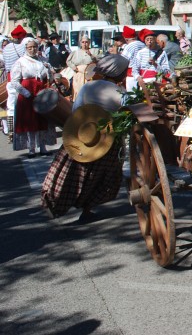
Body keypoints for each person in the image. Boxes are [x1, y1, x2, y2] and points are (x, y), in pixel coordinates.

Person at [41, 54, 130, 220]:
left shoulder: (88, 87)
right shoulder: (121, 93)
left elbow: (76, 110)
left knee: (69, 172)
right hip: (107, 141)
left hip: (82, 135)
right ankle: (87, 208)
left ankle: (54, 202)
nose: (126, 73)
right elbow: (127, 116)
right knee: (102, 176)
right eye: (125, 71)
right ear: (119, 73)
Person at [10, 37, 56, 156]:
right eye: (29, 47)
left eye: (34, 47)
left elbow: (49, 79)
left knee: (42, 119)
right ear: (25, 48)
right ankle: (31, 148)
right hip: (27, 94)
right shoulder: (20, 62)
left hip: (41, 92)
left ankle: (43, 146)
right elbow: (14, 81)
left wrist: (49, 71)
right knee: (30, 121)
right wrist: (26, 93)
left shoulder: (42, 60)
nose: (32, 49)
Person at [120, 26, 145, 91]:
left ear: (126, 38)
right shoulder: (143, 44)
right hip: (143, 72)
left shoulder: (129, 46)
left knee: (132, 94)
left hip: (131, 73)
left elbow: (123, 60)